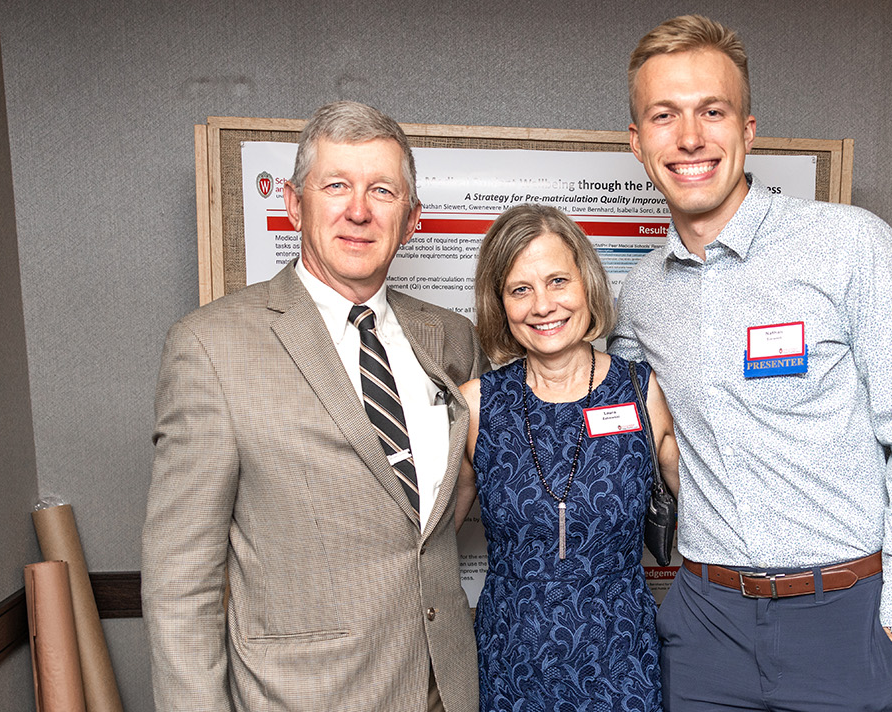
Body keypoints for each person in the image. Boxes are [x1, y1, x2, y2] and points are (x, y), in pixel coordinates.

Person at [609, 15, 892, 712]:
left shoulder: (851, 245)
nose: (690, 137)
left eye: (714, 111)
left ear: (748, 129)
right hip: (705, 625)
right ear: (639, 143)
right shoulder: (643, 292)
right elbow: (607, 414)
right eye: (664, 116)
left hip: (845, 620)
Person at [143, 100, 486, 712]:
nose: (358, 210)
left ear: (410, 221)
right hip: (303, 696)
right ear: (295, 205)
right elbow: (179, 583)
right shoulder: (210, 347)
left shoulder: (450, 339)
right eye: (337, 186)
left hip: (448, 690)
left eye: (382, 190)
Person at [453, 204, 679, 712]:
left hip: (620, 661)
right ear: (500, 304)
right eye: (520, 289)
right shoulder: (476, 405)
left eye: (558, 281)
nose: (542, 305)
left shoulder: (644, 393)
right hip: (512, 664)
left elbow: (716, 510)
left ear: (587, 285)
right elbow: (427, 538)